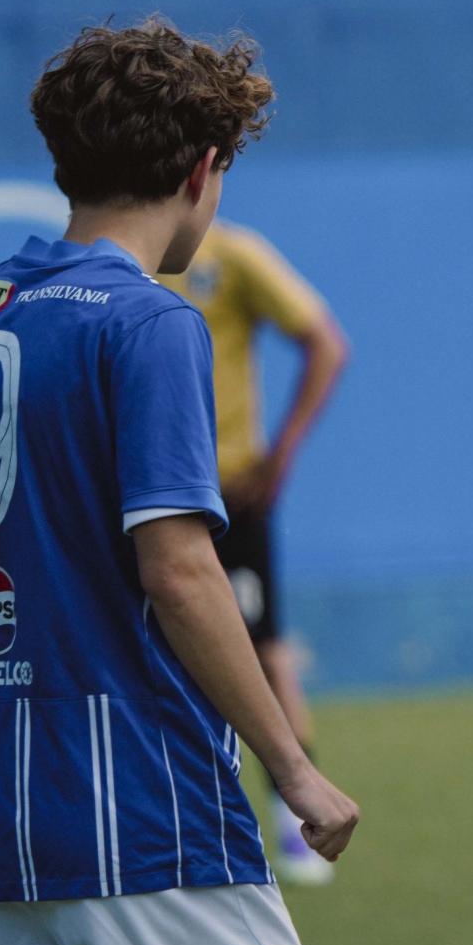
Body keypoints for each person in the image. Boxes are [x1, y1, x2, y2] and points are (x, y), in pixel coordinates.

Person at [0, 18, 358, 945]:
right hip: (144, 801)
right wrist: (292, 767)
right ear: (201, 172)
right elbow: (180, 569)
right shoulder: (150, 321)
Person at [157, 222, 349, 884]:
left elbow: (326, 343)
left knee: (264, 652)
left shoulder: (230, 255)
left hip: (226, 493)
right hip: (141, 493)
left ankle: (300, 827)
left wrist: (279, 456)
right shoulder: (115, 262)